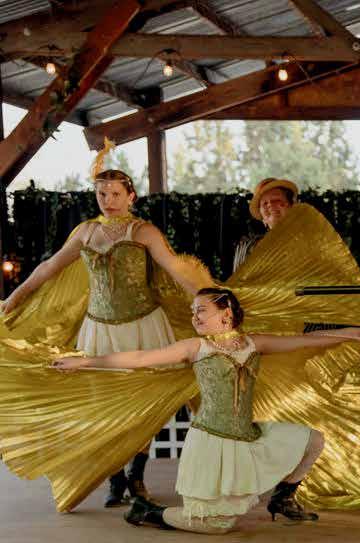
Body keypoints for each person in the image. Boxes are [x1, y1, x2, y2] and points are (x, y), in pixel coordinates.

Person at [52, 288, 360, 533]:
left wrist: (346, 333)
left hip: (247, 436)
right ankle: (148, 511)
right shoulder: (196, 347)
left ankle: (283, 498)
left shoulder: (253, 343)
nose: (195, 316)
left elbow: (303, 341)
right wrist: (85, 362)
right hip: (211, 443)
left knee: (313, 440)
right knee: (217, 525)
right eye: (193, 311)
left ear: (226, 313)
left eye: (201, 310)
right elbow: (139, 359)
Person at [1, 153, 211, 507]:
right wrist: (15, 297)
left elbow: (176, 269)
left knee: (143, 404)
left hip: (143, 327)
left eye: (115, 194)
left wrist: (207, 303)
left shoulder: (143, 231)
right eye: (102, 194)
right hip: (98, 331)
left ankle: (136, 477)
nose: (109, 201)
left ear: (131, 197)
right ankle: (115, 479)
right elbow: (50, 266)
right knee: (104, 405)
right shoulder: (86, 232)